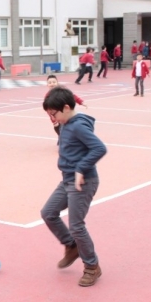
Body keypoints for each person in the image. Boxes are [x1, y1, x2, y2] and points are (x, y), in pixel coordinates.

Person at [40, 87, 107, 287]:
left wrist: (81, 168)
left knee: (76, 225)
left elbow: (99, 148)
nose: (53, 118)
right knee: (48, 212)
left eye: (54, 114)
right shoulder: (64, 124)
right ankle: (71, 246)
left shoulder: (78, 126)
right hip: (67, 180)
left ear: (67, 107)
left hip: (83, 182)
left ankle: (92, 267)